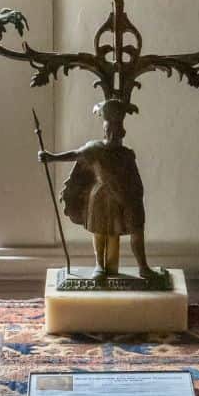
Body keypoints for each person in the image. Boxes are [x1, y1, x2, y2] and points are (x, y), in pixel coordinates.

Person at [37, 99, 155, 279]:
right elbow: (75, 155)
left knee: (120, 231)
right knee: (99, 231)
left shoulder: (126, 154)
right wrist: (51, 158)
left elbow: (134, 179)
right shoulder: (95, 149)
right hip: (100, 197)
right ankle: (99, 264)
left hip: (123, 198)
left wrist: (134, 197)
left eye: (116, 132)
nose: (112, 135)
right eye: (109, 131)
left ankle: (139, 267)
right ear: (105, 131)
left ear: (121, 132)